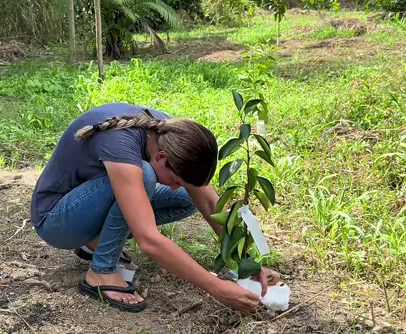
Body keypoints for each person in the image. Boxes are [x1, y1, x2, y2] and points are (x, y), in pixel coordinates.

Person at [31, 103, 278, 313]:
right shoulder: (121, 145)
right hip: (56, 220)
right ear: (161, 157)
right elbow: (148, 240)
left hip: (88, 203)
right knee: (146, 176)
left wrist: (244, 263)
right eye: (176, 180)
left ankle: (95, 241)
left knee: (188, 197)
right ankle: (101, 272)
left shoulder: (168, 132)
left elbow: (209, 201)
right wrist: (217, 288)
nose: (173, 187)